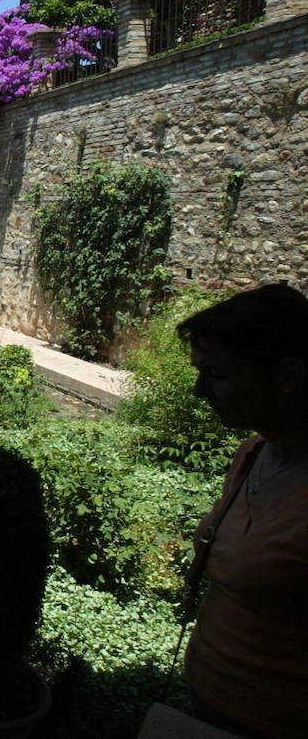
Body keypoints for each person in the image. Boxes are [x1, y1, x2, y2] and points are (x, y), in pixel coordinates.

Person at [180, 284, 308, 738]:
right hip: (206, 700)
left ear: (288, 375)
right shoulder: (253, 454)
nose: (199, 391)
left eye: (216, 373)